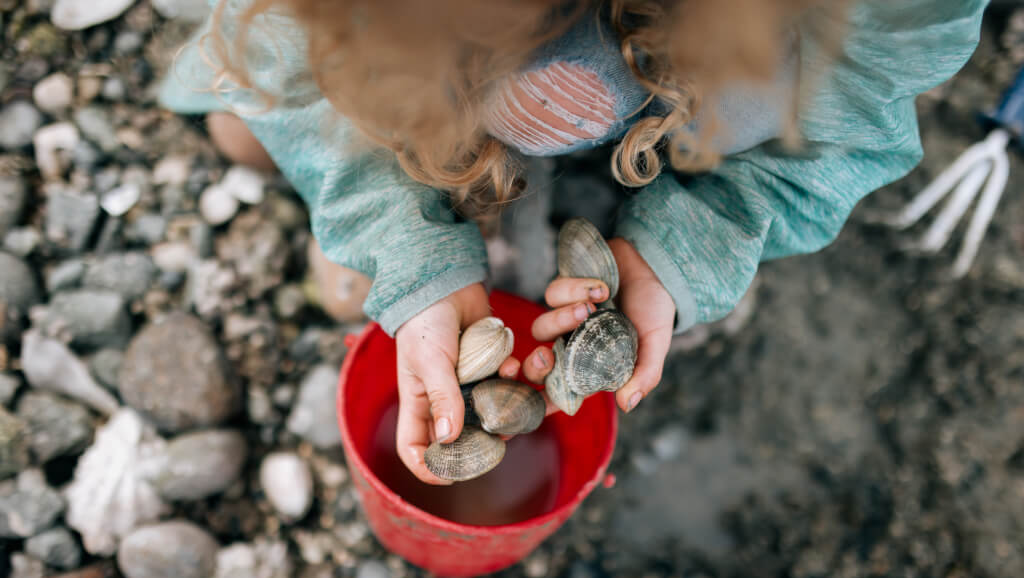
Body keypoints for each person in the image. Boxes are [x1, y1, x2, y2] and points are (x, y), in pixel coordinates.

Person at [161, 0, 988, 484]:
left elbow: (851, 132)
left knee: (757, 111)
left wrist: (686, 249)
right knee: (247, 126)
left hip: (705, 105)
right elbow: (288, 66)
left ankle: (639, 177)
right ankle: (456, 168)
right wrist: (406, 250)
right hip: (455, 90)